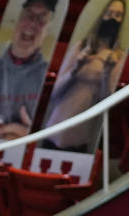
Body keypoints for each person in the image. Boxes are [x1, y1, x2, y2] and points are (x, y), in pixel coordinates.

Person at [42, 0, 125, 152]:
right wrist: (76, 68)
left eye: (118, 15)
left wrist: (107, 72)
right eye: (109, 13)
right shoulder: (81, 47)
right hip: (55, 129)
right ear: (102, 16)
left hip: (80, 136)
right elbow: (55, 93)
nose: (112, 18)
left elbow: (105, 102)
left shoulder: (118, 56)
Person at [0, 0, 57, 139]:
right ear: (17, 21)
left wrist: (31, 138)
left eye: (41, 19)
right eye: (29, 15)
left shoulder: (51, 84)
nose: (33, 23)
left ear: (48, 30)